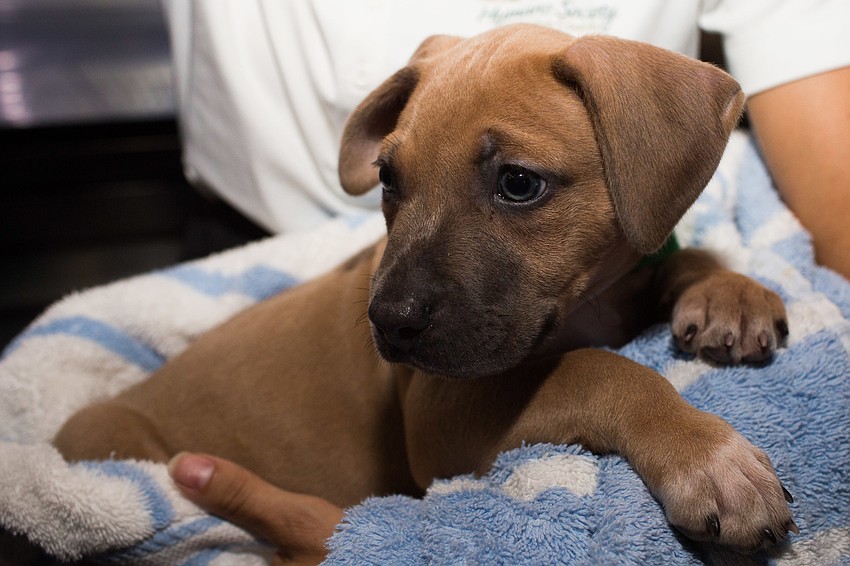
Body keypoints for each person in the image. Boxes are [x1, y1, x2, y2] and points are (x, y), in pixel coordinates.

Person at [161, 0, 850, 559]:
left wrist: (700, 274)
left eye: (517, 185)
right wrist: (633, 403)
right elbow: (438, 440)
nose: (394, 306)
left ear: (650, 164)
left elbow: (643, 257)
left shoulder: (636, 184)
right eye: (396, 182)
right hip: (171, 471)